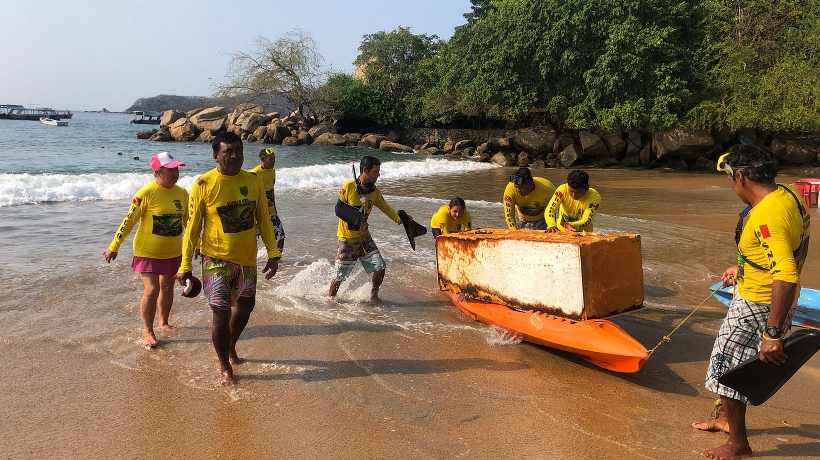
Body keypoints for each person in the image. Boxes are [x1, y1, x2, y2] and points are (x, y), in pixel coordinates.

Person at [692, 145, 810, 460]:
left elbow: (785, 273)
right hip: (757, 292)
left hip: (760, 305)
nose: (732, 187)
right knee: (731, 364)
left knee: (725, 369)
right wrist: (743, 268)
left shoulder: (766, 215)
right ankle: (725, 419)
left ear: (741, 176)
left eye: (731, 179)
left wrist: (772, 333)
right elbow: (787, 250)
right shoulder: (787, 196)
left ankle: (738, 446)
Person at [177, 132, 281, 386]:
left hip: (247, 259)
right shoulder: (203, 185)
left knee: (245, 307)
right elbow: (192, 228)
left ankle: (230, 345)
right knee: (221, 314)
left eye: (238, 150)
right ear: (216, 156)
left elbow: (263, 220)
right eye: (228, 151)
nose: (234, 155)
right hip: (216, 260)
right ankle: (224, 365)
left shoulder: (254, 181)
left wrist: (273, 252)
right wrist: (185, 264)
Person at [103, 152, 189, 349]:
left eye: (176, 169)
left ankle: (163, 322)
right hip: (147, 251)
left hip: (173, 251)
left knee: (167, 287)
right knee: (152, 289)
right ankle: (148, 331)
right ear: (158, 172)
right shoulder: (145, 194)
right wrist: (114, 247)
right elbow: (129, 221)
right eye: (170, 169)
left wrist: (198, 245)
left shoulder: (182, 193)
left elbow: (188, 223)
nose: (175, 173)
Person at [329, 155, 409, 304]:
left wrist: (401, 220)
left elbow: (386, 208)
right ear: (365, 170)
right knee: (339, 276)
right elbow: (339, 209)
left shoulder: (374, 192)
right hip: (347, 240)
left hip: (364, 238)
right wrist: (358, 221)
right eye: (376, 171)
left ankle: (373, 295)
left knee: (380, 266)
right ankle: (330, 300)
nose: (379, 174)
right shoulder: (348, 186)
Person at [251, 147, 285, 253]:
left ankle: (277, 260)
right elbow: (251, 193)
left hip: (271, 212)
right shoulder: (254, 173)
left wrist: (274, 207)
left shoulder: (272, 171)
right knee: (251, 240)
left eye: (274, 158)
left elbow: (271, 190)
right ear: (263, 159)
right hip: (258, 213)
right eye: (271, 159)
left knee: (281, 236)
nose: (274, 161)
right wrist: (264, 200)